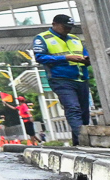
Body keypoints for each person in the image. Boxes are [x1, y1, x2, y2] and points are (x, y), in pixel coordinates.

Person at [33, 13, 93, 146]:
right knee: (73, 108)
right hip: (61, 79)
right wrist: (65, 58)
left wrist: (86, 59)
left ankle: (79, 143)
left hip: (81, 78)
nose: (68, 30)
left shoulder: (74, 38)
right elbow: (40, 57)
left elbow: (85, 53)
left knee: (84, 113)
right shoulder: (43, 38)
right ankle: (85, 141)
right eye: (64, 27)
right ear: (54, 24)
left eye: (69, 27)